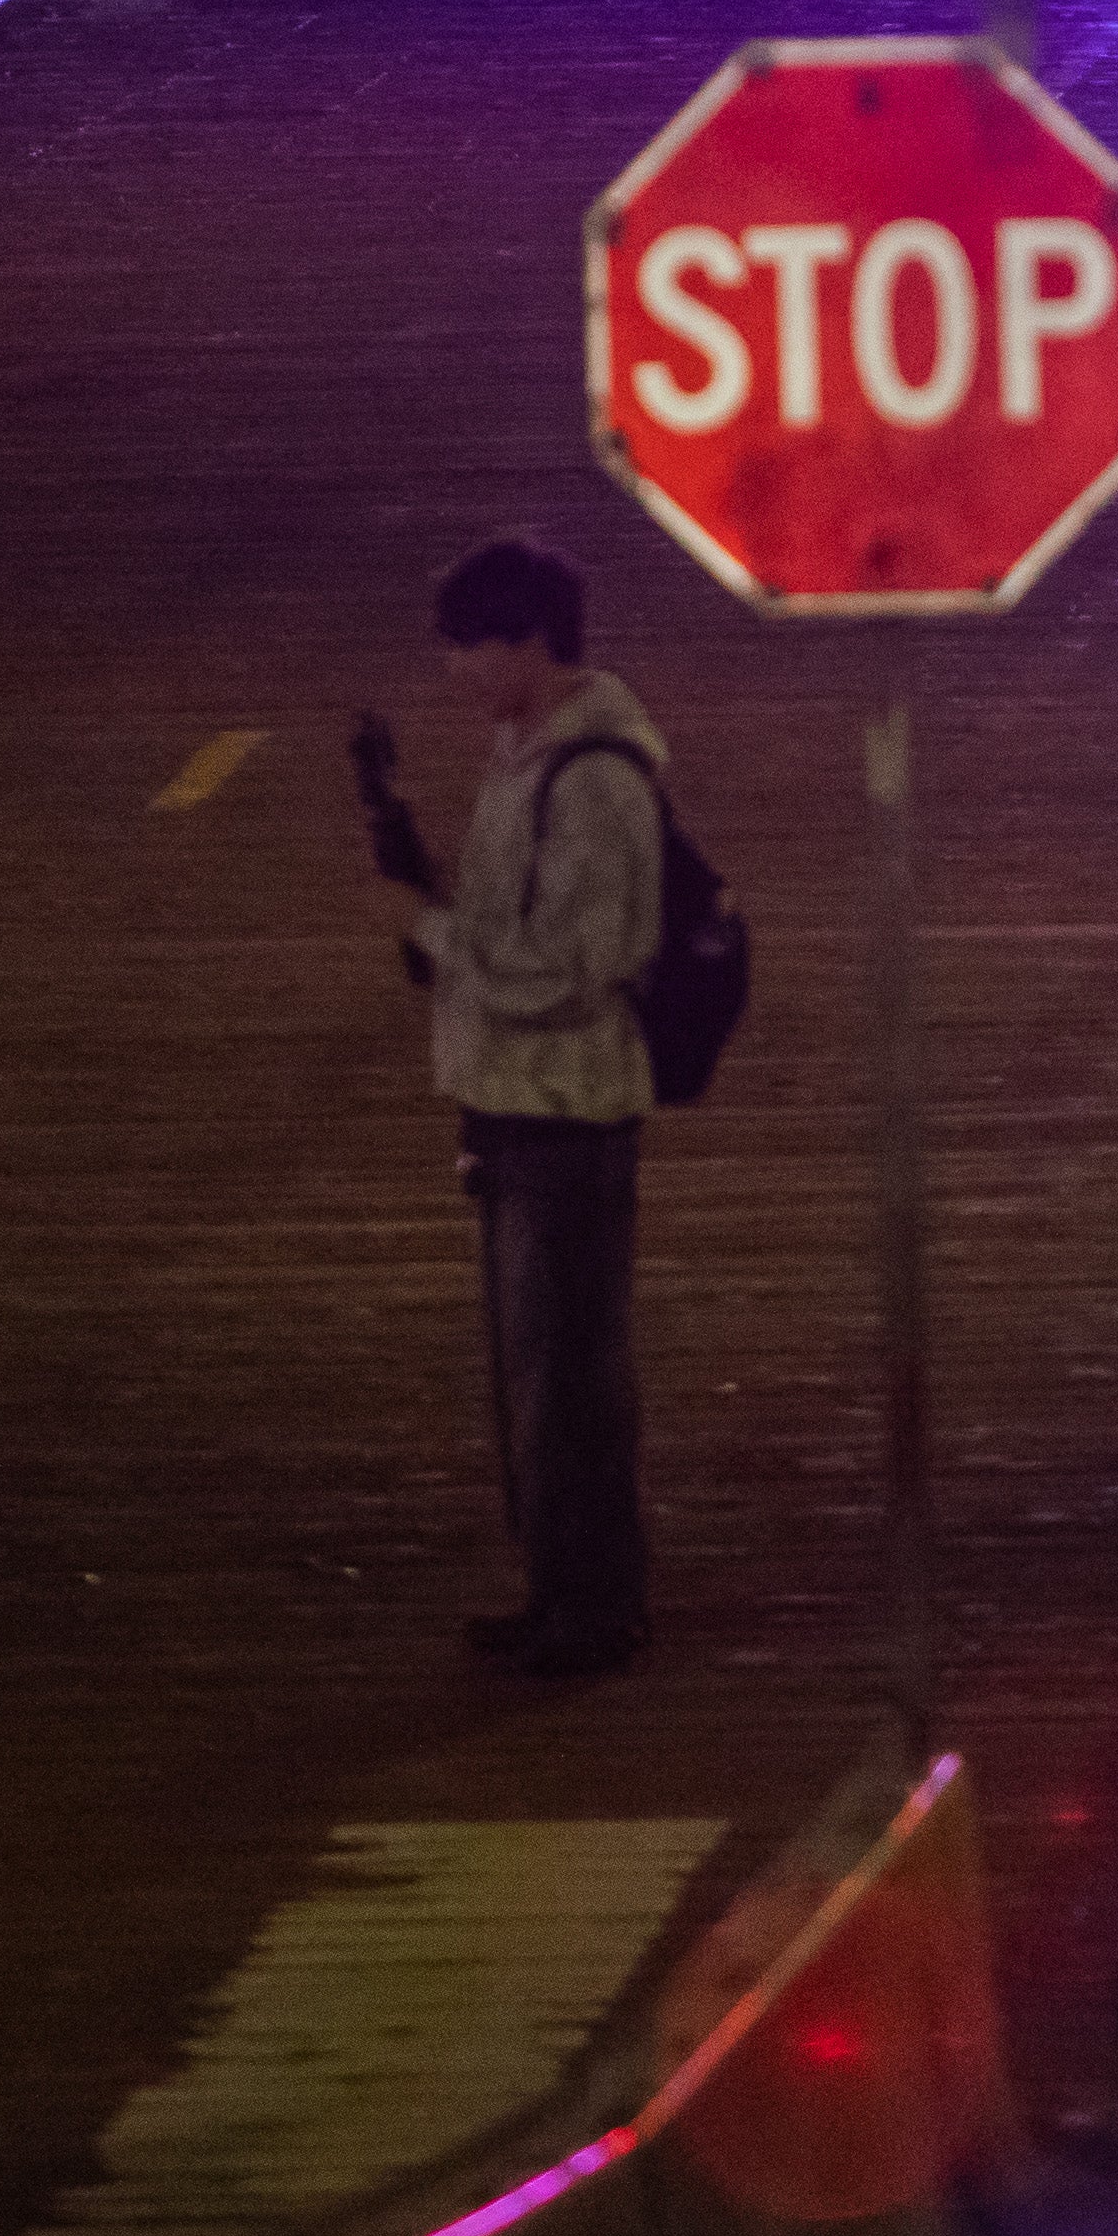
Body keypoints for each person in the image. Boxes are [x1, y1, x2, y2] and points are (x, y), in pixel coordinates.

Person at [392, 536, 669, 1678]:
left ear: (531, 641)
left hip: (567, 1112)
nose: (456, 669)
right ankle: (564, 1589)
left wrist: (427, 931)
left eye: (471, 646)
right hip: (515, 1106)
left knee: (565, 1379)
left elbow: (574, 965)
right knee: (539, 1375)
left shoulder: (593, 776)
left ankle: (594, 1606)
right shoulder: (524, 753)